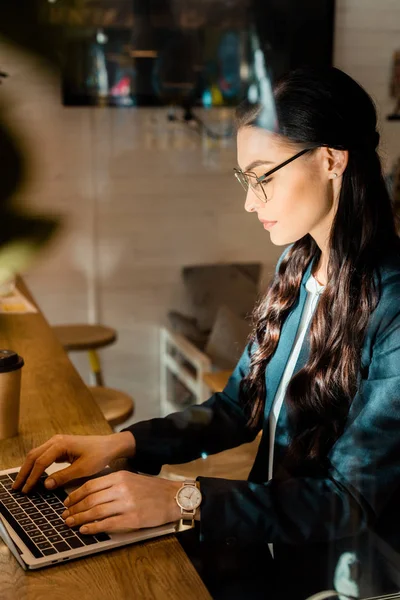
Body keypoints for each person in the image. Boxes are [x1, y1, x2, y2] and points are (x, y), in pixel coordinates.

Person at [12, 66, 400, 599]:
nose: (250, 201)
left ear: (332, 159)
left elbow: (348, 500)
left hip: (352, 580)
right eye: (246, 179)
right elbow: (237, 406)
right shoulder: (300, 263)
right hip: (273, 545)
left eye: (264, 174)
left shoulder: (394, 305)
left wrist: (181, 499)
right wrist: (124, 443)